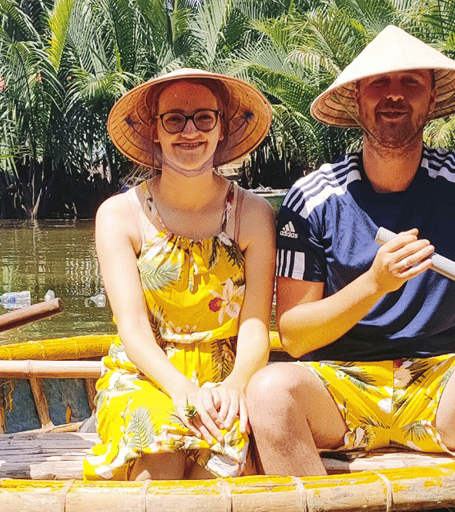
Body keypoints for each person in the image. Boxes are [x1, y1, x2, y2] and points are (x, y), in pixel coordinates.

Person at [248, 25, 455, 476]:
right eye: (379, 83)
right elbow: (295, 334)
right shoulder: (313, 198)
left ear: (430, 101)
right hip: (338, 383)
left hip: (440, 378)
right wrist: (374, 284)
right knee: (269, 391)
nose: (394, 95)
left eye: (410, 82)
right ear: (357, 100)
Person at [83, 68, 276, 480]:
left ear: (222, 127)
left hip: (228, 373)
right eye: (174, 119)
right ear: (155, 130)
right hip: (148, 373)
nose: (190, 131)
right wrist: (181, 388)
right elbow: (132, 327)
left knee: (225, 456)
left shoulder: (253, 214)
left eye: (204, 117)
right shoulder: (120, 215)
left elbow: (256, 323)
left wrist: (237, 384)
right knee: (162, 443)